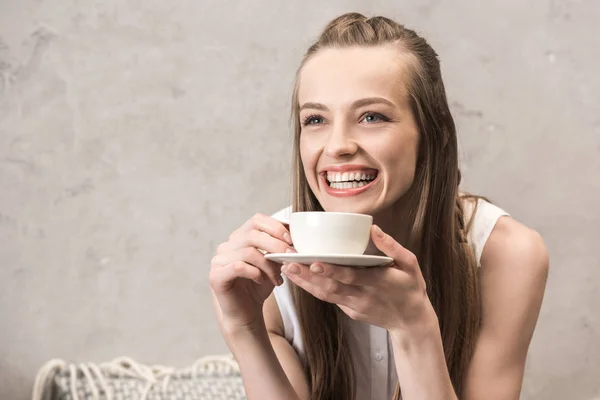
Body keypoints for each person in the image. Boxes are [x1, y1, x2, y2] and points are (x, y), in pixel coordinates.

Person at [209, 12, 549, 400]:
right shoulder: (264, 266)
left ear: (431, 135)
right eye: (315, 119)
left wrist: (414, 329)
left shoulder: (507, 255)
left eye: (371, 116)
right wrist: (244, 329)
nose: (337, 145)